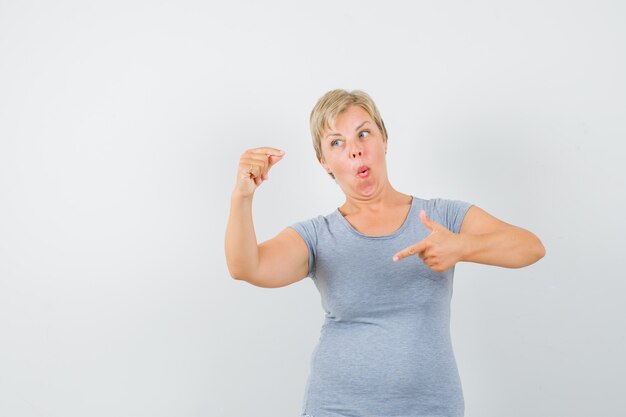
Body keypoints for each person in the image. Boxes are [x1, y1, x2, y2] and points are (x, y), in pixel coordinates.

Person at [224, 89, 546, 417]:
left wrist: (462, 246)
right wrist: (242, 196)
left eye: (364, 133)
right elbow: (246, 266)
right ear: (324, 164)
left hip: (431, 408)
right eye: (337, 142)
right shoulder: (317, 236)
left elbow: (530, 247)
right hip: (337, 408)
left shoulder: (442, 217)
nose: (355, 150)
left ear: (384, 140)